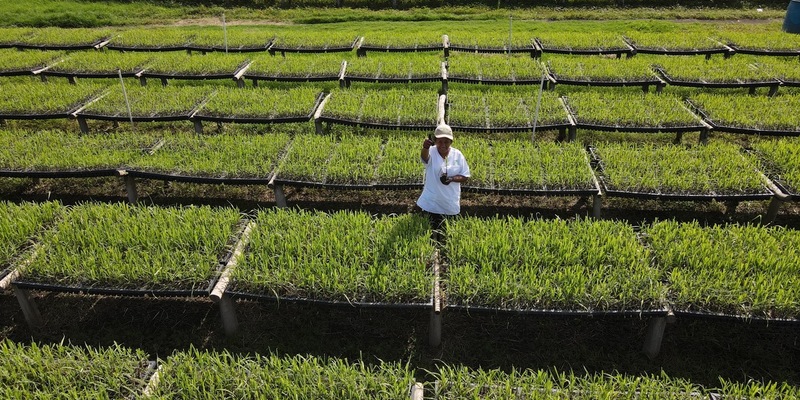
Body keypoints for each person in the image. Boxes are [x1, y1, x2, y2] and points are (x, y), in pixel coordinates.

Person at [416, 123, 470, 241]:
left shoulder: (457, 155)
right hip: (431, 203)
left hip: (449, 204)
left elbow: (465, 175)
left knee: (447, 237)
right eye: (440, 141)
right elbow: (424, 158)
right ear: (435, 141)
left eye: (446, 141)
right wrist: (425, 147)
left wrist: (451, 179)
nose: (443, 145)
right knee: (426, 238)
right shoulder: (431, 151)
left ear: (451, 142)